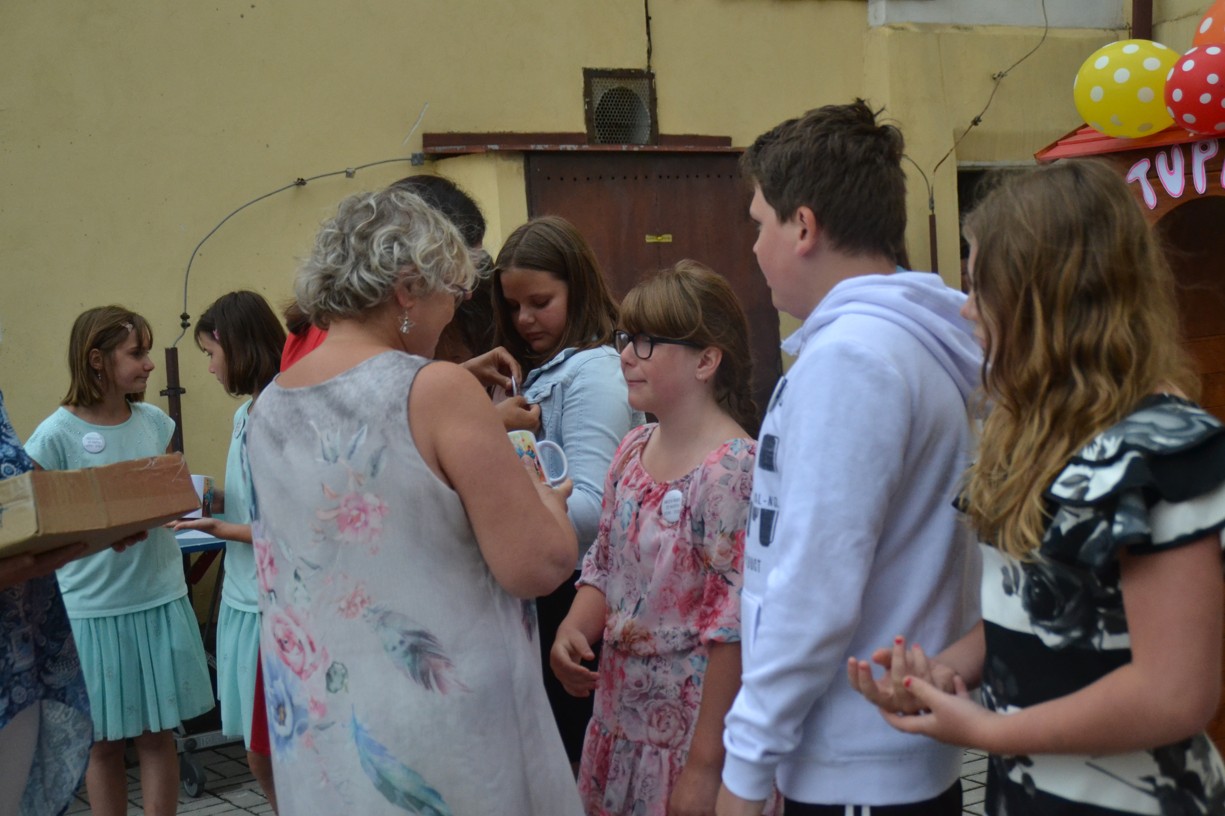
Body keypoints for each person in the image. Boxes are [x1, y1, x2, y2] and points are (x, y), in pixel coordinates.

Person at [848, 160, 1225, 814]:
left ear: (1042, 299)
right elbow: (1033, 608)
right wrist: (945, 672)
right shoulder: (1030, 432)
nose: (967, 307)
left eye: (979, 286)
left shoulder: (1165, 450)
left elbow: (1175, 694)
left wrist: (990, 732)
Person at [245, 186, 584, 814]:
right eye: (451, 291)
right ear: (407, 289)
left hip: (327, 733)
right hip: (438, 727)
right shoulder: (437, 390)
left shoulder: (270, 404)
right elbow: (535, 565)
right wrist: (549, 501)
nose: (453, 311)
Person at [715, 100, 982, 816]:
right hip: (877, 750)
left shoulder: (851, 360)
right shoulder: (895, 342)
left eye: (759, 224)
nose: (754, 248)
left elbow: (815, 587)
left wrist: (744, 770)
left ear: (803, 226)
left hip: (855, 758)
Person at [550, 261, 778, 816]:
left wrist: (704, 766)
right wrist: (573, 628)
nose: (626, 355)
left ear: (706, 360)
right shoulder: (633, 448)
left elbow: (733, 626)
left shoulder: (731, 469)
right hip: (619, 721)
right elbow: (605, 562)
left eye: (648, 342)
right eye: (626, 338)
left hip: (690, 738)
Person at [25, 306, 214, 816]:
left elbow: (176, 494)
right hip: (92, 609)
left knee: (157, 734)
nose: (149, 364)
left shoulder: (154, 422)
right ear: (97, 360)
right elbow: (35, 521)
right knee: (103, 743)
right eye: (137, 353)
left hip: (156, 597)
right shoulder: (55, 434)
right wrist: (98, 531)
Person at [492, 214, 643, 766]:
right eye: (513, 306)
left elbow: (590, 512)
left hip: (578, 597)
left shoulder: (594, 373)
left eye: (540, 302)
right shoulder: (540, 370)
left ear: (577, 289)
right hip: (551, 592)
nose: (524, 319)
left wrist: (496, 480)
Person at [173, 290, 284, 811]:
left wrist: (222, 528)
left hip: (272, 603)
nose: (210, 367)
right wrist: (210, 500)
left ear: (237, 346)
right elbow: (250, 499)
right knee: (259, 750)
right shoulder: (245, 412)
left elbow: (294, 526)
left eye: (210, 353)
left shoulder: (283, 410)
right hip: (243, 596)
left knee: (269, 752)